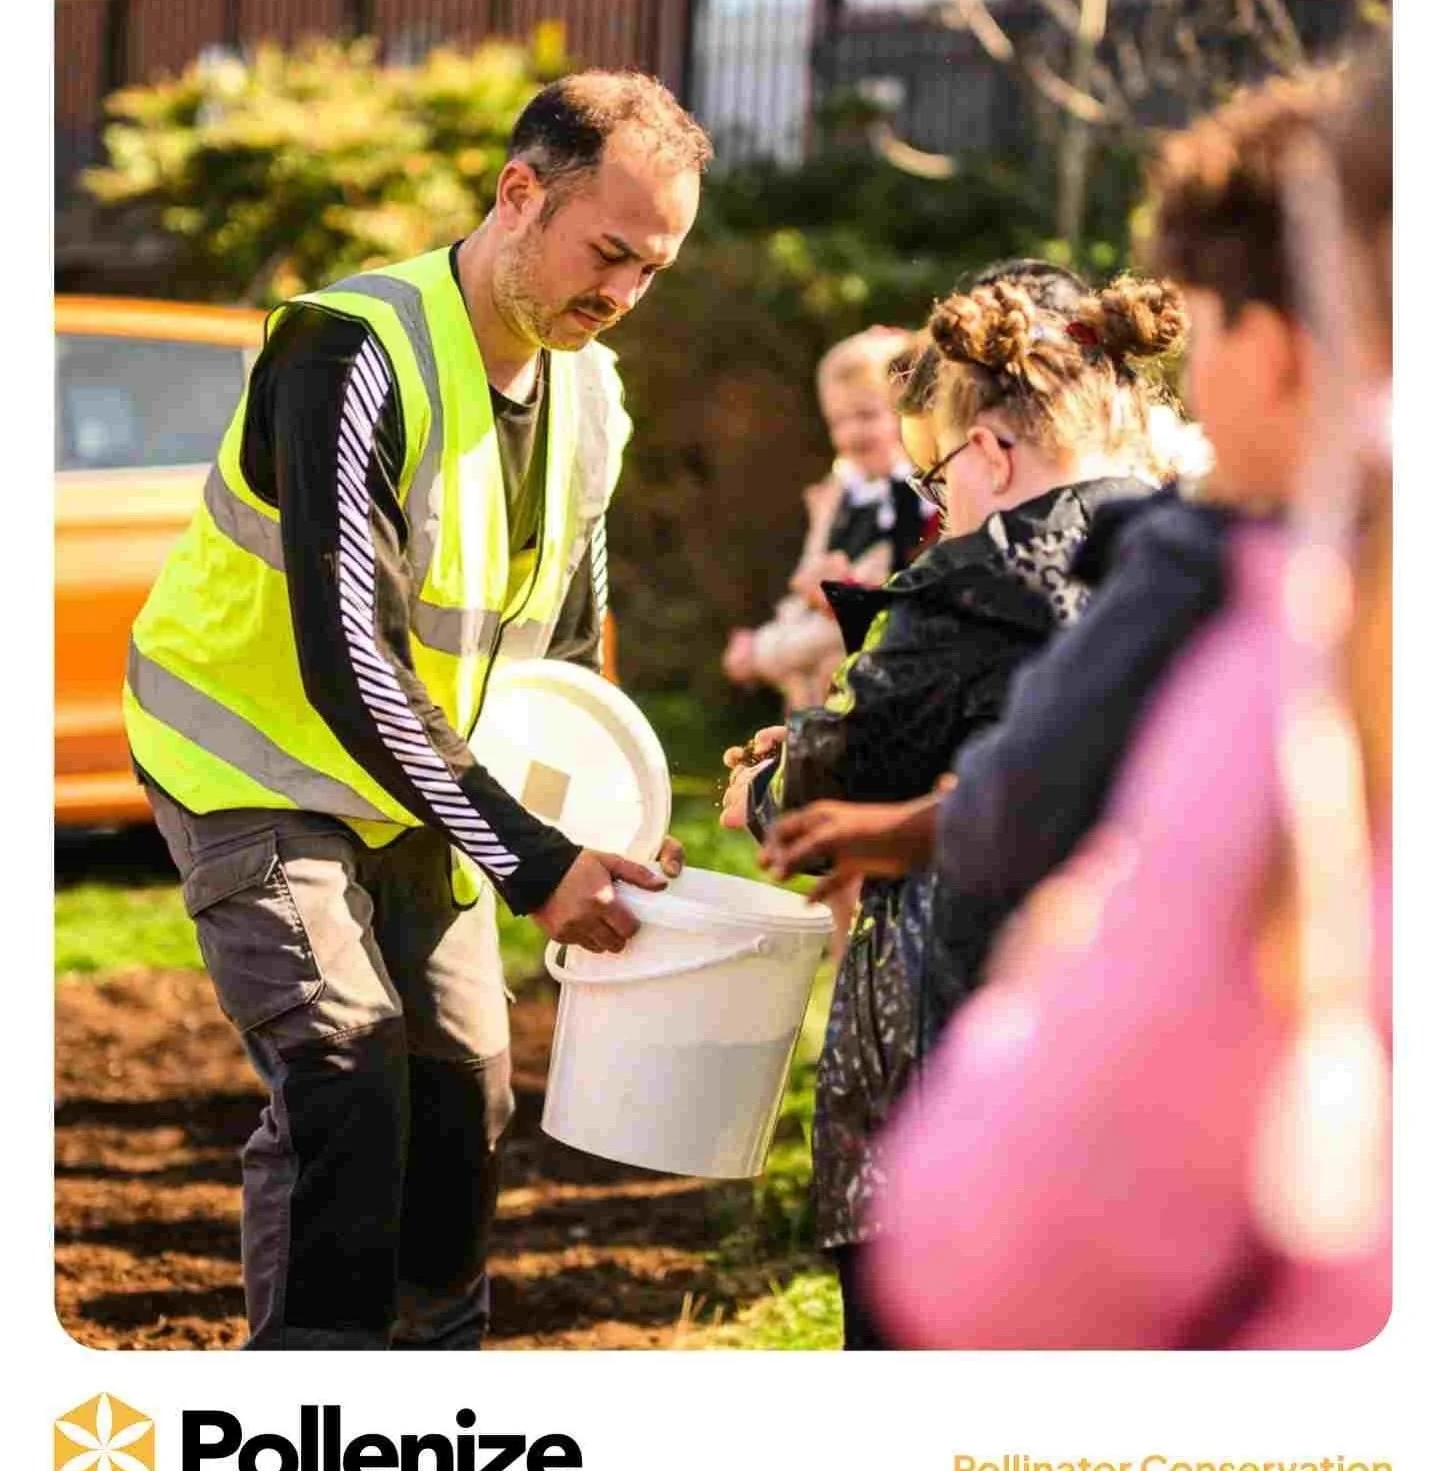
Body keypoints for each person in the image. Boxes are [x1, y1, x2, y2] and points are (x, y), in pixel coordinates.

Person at [122, 70, 712, 1349]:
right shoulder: (348, 350)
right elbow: (351, 657)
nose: (622, 293)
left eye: (652, 269)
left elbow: (561, 647)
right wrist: (534, 862)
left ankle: (436, 1396)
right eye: (608, 251)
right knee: (344, 1069)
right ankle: (317, 1413)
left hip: (419, 784)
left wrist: (603, 822)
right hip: (258, 764)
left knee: (460, 1100)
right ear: (518, 193)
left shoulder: (591, 397)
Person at [863, 48, 1391, 1349]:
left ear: (1273, 348)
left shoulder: (1273, 653)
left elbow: (1002, 1252)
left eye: (1201, 335)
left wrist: (1047, 970)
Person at [722, 270, 1187, 1347]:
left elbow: (848, 773)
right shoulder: (1195, 556)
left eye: (936, 477)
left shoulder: (977, 582)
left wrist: (764, 785)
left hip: (958, 1049)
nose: (936, 509)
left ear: (988, 451)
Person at [722, 326, 933, 713]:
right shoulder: (842, 491)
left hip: (874, 628)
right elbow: (807, 573)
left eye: (867, 416)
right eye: (838, 422)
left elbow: (897, 576)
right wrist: (818, 556)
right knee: (808, 674)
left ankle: (762, 653)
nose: (853, 434)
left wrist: (841, 585)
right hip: (826, 621)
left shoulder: (912, 494)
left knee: (826, 656)